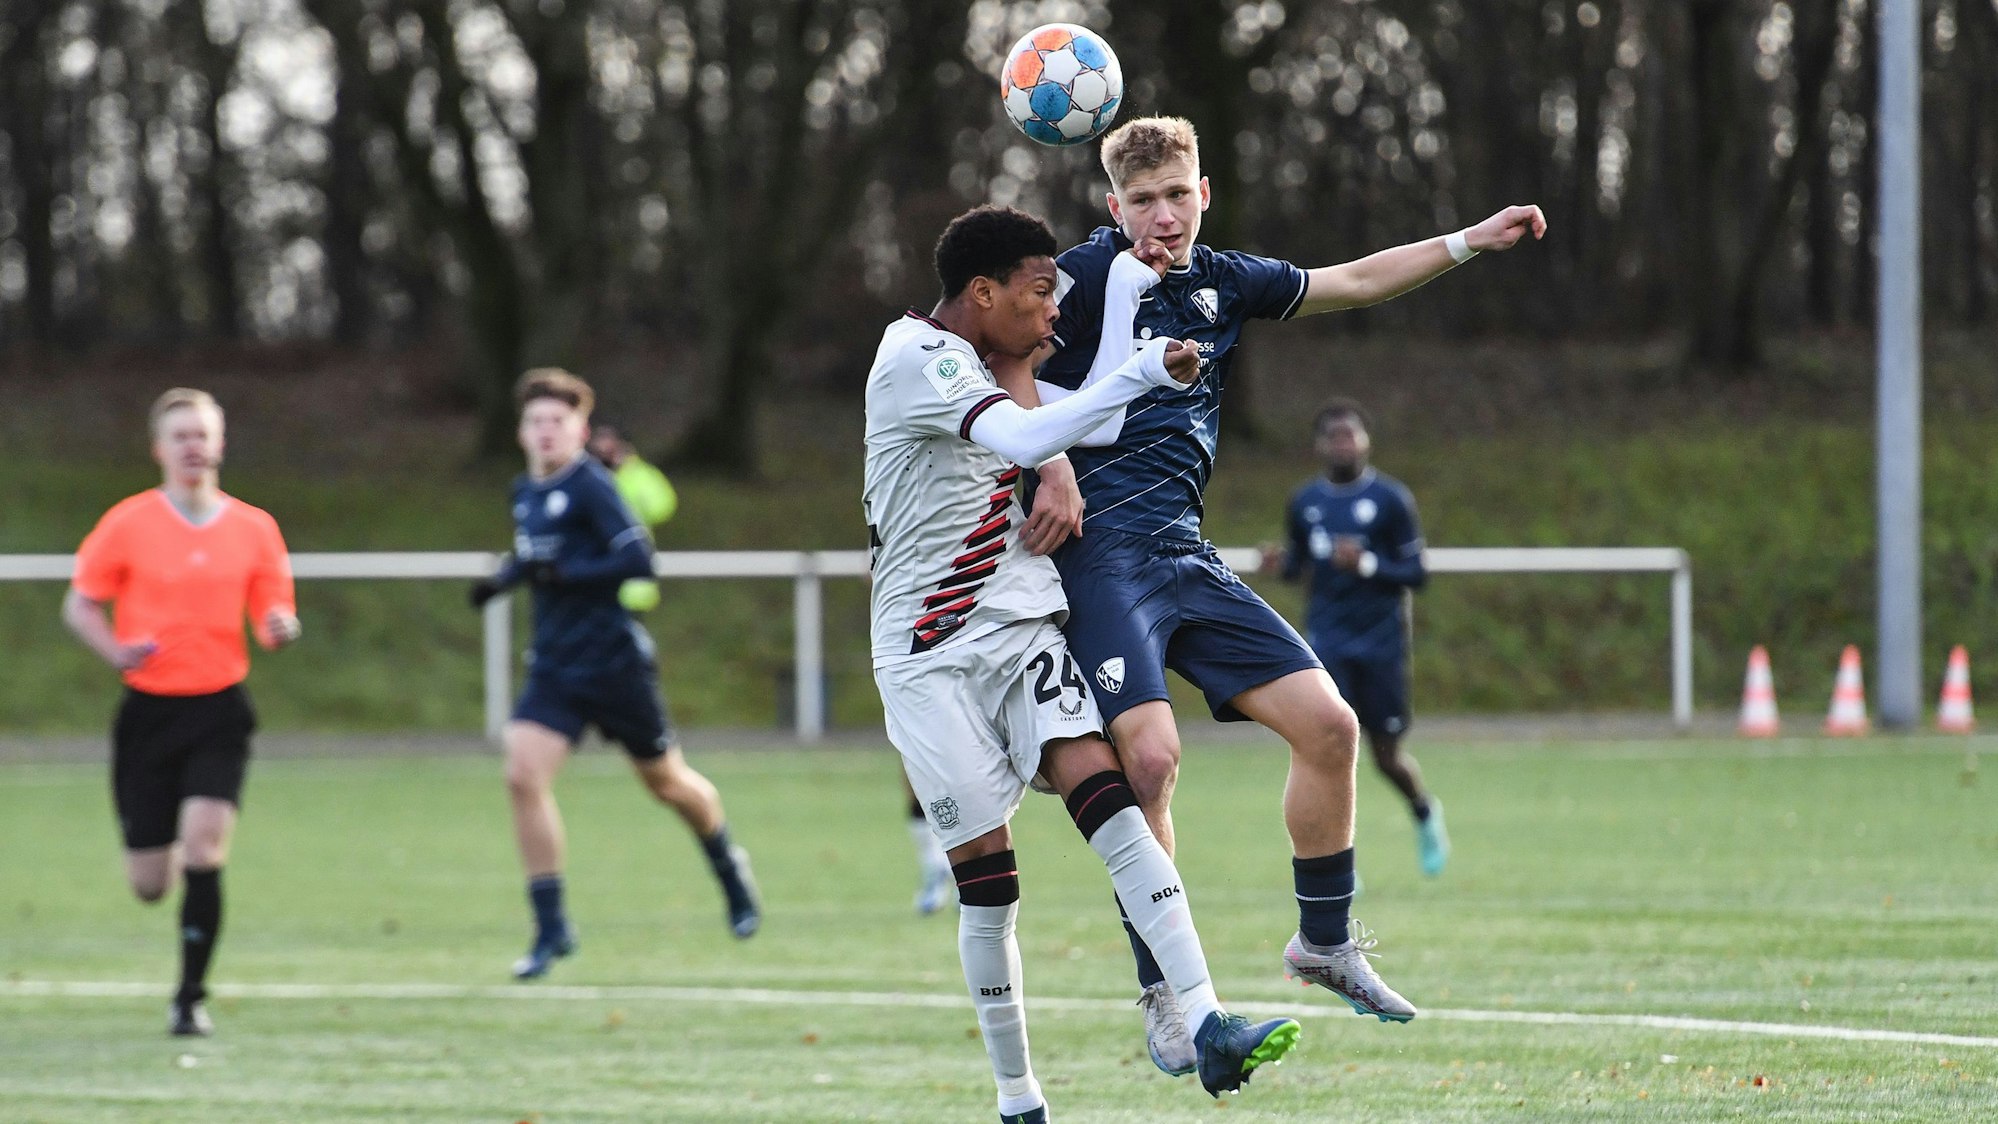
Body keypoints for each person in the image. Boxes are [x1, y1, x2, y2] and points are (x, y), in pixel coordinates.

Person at [988, 115, 1545, 1073]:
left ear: (1203, 193)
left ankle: (1322, 941)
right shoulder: (1077, 279)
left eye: (1178, 196)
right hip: (1097, 558)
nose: (1163, 217)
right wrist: (1053, 470)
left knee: (1332, 727)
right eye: (1143, 201)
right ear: (1112, 206)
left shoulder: (1225, 280)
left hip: (1184, 555)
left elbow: (1355, 280)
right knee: (1152, 762)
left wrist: (1466, 241)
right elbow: (1003, 361)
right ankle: (1167, 993)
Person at [865, 204, 1301, 1119]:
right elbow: (1030, 441)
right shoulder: (920, 357)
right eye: (1037, 296)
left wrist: (1140, 331)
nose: (1052, 316)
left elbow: (1083, 420)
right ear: (980, 294)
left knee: (1111, 794)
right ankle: (1018, 1096)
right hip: (931, 655)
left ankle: (1209, 1017)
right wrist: (1141, 371)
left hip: (1021, 624)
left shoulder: (993, 361)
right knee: (991, 884)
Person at [471, 369, 760, 980]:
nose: (547, 432)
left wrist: (563, 575)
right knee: (522, 774)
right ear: (521, 431)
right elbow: (537, 557)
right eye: (536, 422)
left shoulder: (593, 485)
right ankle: (552, 927)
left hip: (613, 663)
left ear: (580, 431)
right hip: (554, 665)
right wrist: (502, 582)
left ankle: (729, 867)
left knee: (668, 785)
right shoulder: (523, 490)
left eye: (559, 422)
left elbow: (637, 559)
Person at [62, 387, 302, 1037]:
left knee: (204, 847)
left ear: (220, 443)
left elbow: (272, 619)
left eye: (203, 434)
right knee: (149, 882)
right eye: (180, 436)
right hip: (148, 715)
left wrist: (281, 627)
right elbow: (80, 602)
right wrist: (116, 649)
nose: (193, 446)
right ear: (159, 449)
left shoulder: (255, 528)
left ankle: (190, 996)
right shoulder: (128, 523)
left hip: (220, 710)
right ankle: (156, 867)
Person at [1264, 400, 1447, 876]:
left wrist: (1365, 564)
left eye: (1352, 435)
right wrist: (1278, 564)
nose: (1344, 444)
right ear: (1320, 445)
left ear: (1366, 440)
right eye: (1335, 436)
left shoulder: (1390, 500)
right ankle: (1336, 861)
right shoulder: (1305, 502)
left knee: (1387, 756)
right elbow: (1299, 564)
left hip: (1381, 643)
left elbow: (1416, 573)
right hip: (1326, 643)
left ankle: (1425, 813)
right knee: (1325, 752)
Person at [586, 422, 678, 613]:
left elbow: (662, 508)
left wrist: (627, 469)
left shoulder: (641, 475)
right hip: (592, 583)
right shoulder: (584, 476)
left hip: (631, 588)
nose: (604, 449)